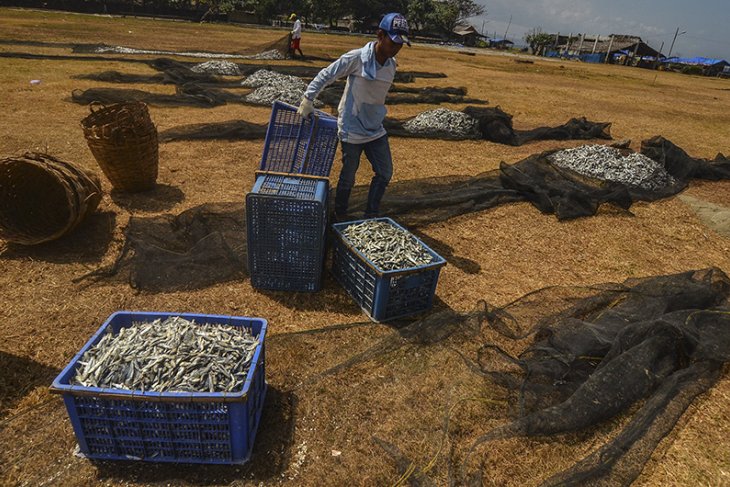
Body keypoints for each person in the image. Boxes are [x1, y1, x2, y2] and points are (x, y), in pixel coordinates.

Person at [297, 13, 411, 221]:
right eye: (393, 42)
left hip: (375, 128)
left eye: (401, 44)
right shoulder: (357, 58)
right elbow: (327, 74)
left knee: (385, 172)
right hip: (351, 127)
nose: (396, 48)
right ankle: (340, 214)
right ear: (380, 35)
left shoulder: (391, 66)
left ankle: (371, 215)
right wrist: (308, 98)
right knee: (349, 176)